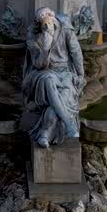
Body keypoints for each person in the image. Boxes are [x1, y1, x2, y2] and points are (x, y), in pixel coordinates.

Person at [22, 8, 86, 148]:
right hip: (45, 72)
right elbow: (38, 65)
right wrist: (45, 47)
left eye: (48, 20)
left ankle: (45, 134)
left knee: (60, 99)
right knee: (48, 80)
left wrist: (81, 75)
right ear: (38, 23)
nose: (46, 25)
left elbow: (76, 53)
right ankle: (69, 125)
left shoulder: (66, 30)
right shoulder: (34, 35)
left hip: (65, 73)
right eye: (42, 22)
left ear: (53, 18)